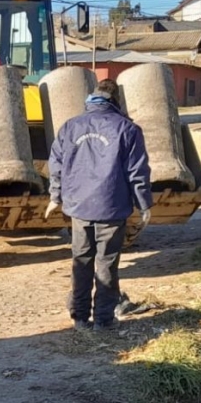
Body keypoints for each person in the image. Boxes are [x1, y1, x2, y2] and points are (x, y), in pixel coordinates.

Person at [44, 80, 153, 331]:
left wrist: (55, 197)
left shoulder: (71, 127)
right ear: (116, 100)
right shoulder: (128, 129)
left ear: (93, 97)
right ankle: (103, 321)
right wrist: (144, 203)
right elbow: (137, 171)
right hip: (111, 207)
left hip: (79, 207)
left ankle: (80, 318)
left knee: (81, 261)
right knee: (106, 263)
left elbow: (56, 164)